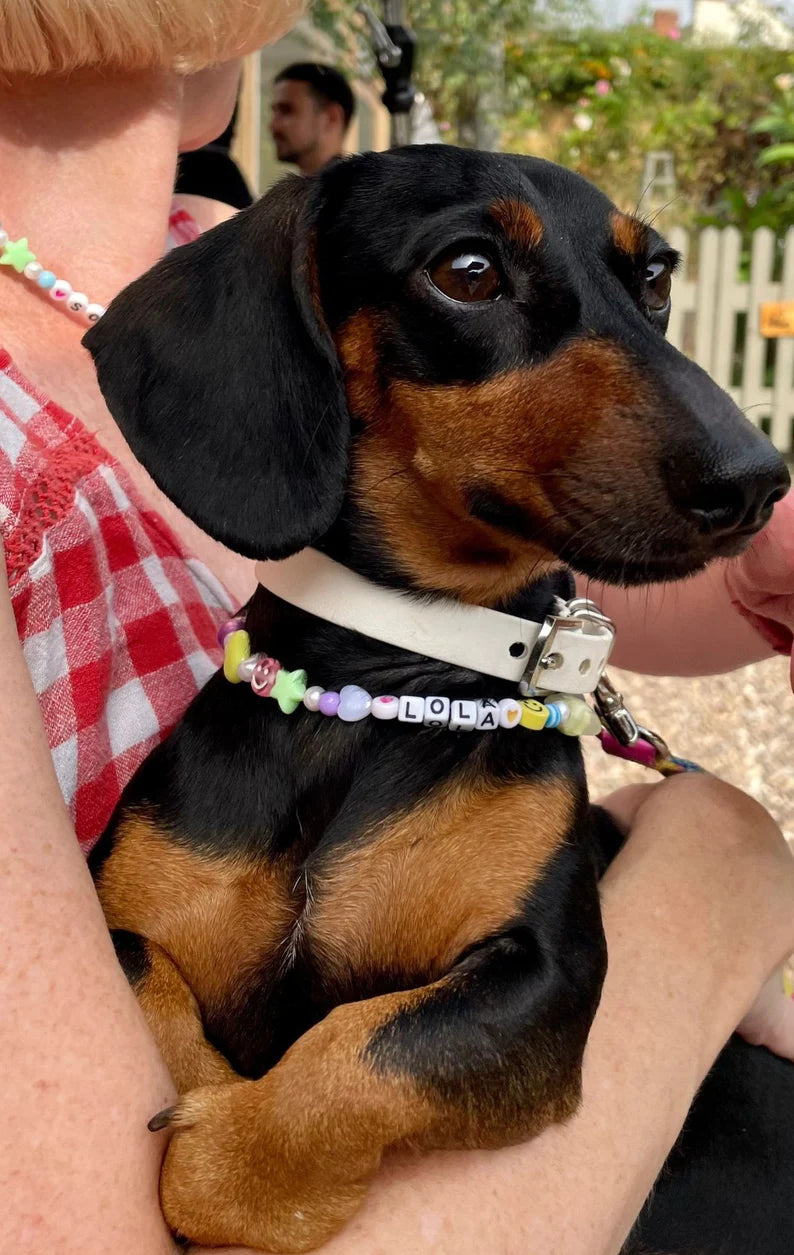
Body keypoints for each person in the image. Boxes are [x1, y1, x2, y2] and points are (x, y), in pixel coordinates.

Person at [0, 2, 793, 1251]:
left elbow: (493, 561)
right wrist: (719, 871)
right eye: (471, 276)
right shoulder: (252, 291)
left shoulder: (214, 244)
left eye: (638, 284)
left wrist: (754, 580)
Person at [270, 61, 356, 174]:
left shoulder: (366, 190)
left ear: (332, 117)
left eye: (286, 110)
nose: (272, 126)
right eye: (274, 112)